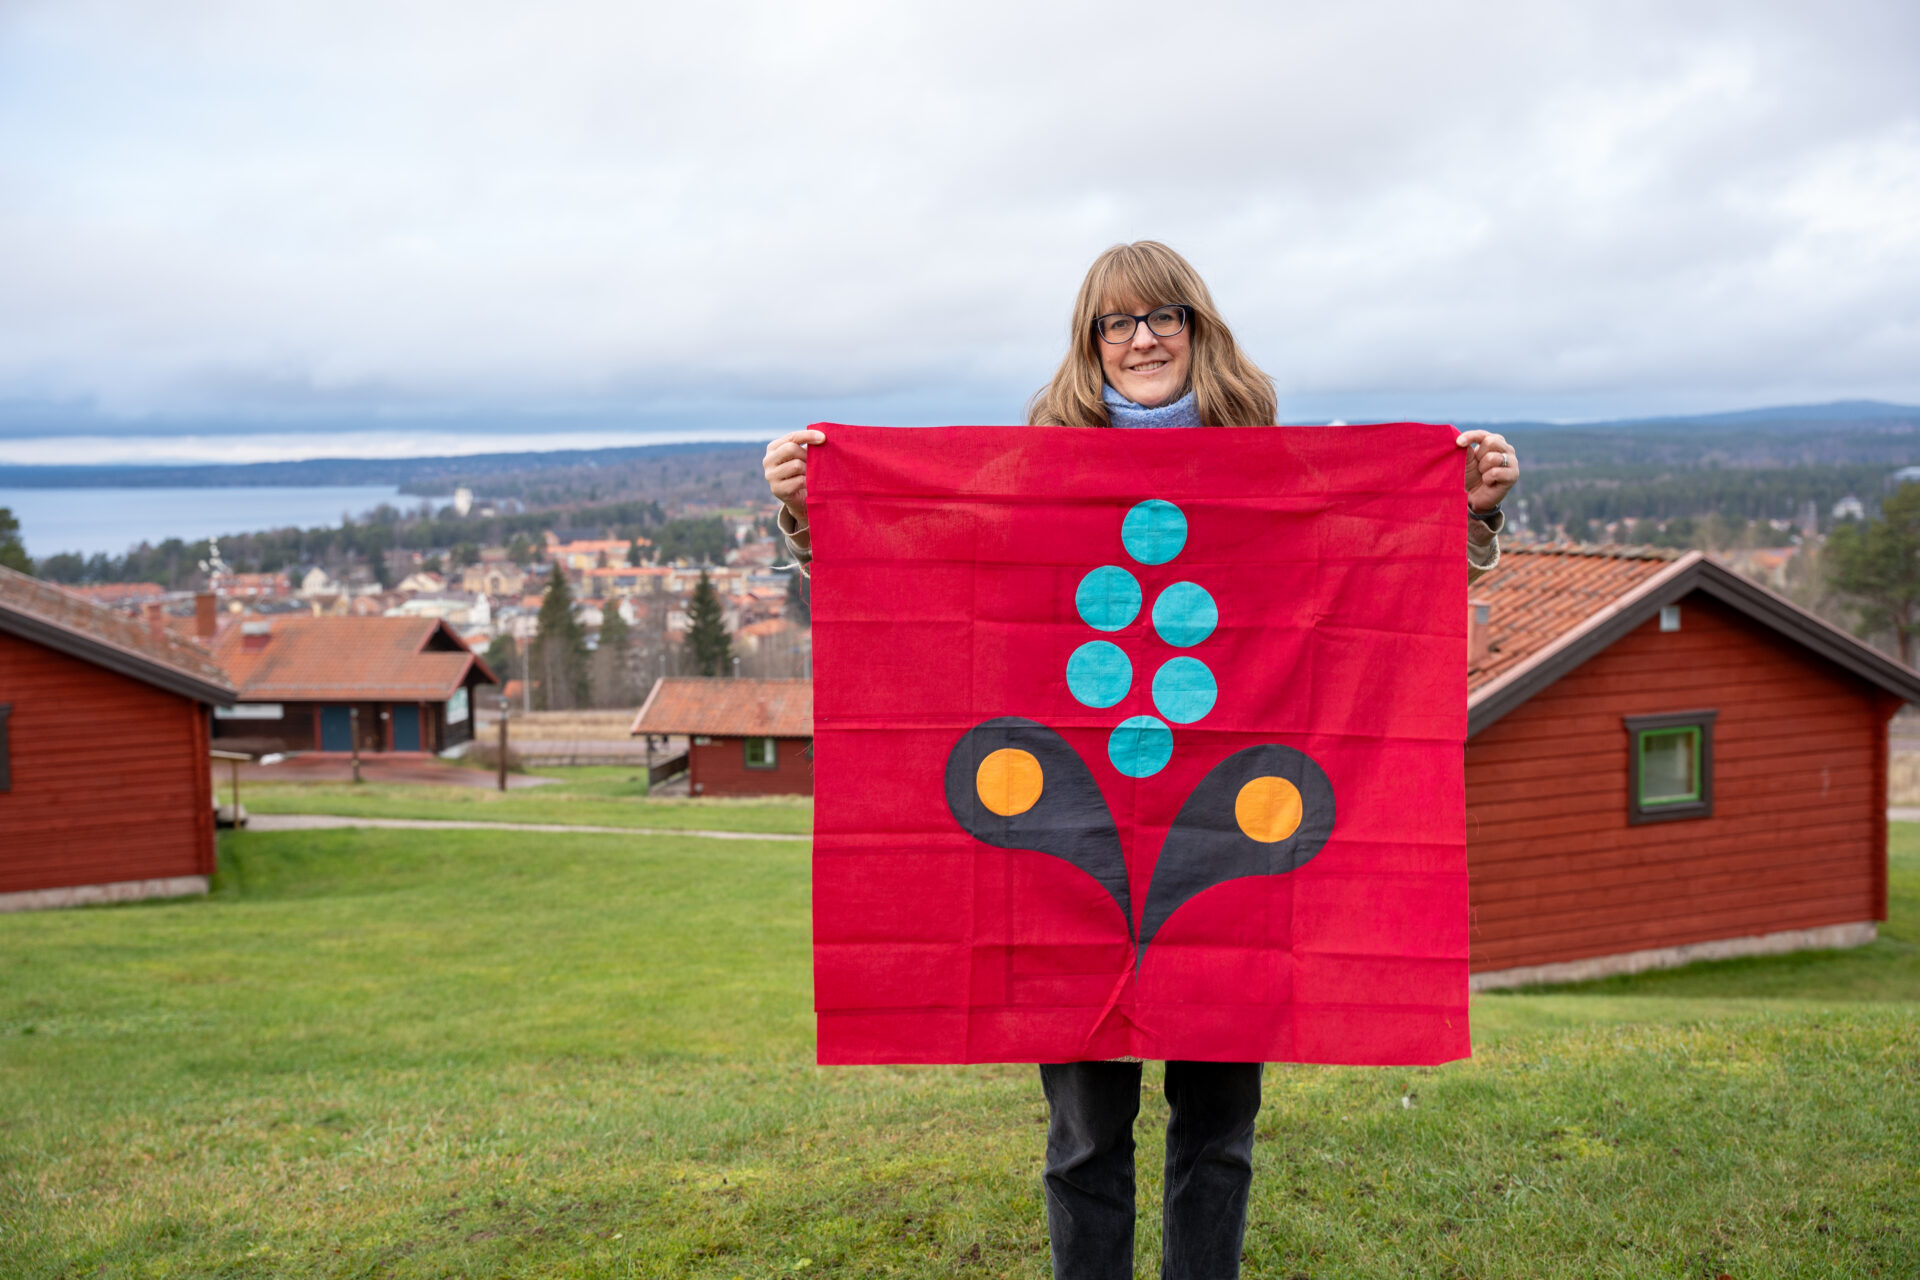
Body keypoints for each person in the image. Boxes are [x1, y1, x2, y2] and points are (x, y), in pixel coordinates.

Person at [762, 241, 1518, 1280]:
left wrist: (1467, 510)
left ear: (1199, 329)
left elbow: (1372, 574)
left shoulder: (1271, 467)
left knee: (1219, 1131)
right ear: (1091, 343)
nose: (1143, 339)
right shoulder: (1033, 476)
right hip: (1068, 849)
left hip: (1229, 843)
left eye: (1165, 316)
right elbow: (927, 564)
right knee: (1084, 1136)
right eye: (1116, 322)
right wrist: (813, 508)